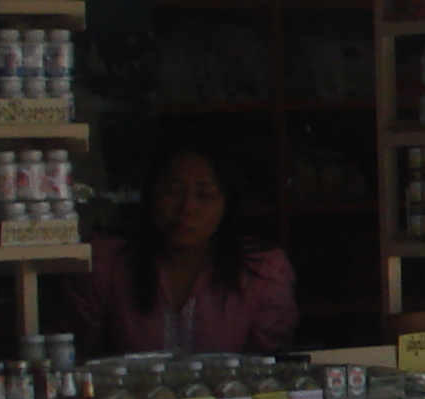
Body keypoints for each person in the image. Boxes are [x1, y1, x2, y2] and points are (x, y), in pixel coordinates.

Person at [66, 143, 298, 355]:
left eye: (204, 195)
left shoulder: (262, 270)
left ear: (227, 205)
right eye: (172, 191)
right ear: (151, 195)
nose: (187, 208)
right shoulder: (107, 262)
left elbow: (268, 369)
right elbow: (85, 357)